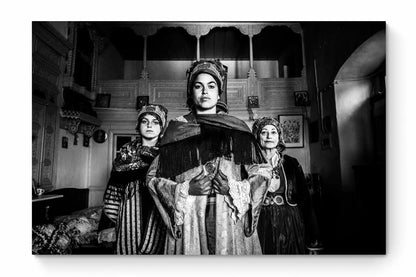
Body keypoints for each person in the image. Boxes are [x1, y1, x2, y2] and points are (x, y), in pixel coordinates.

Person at [146, 59, 272, 255]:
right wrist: (185, 189)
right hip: (190, 220)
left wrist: (233, 187)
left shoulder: (238, 129)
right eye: (198, 86)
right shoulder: (176, 130)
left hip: (230, 219)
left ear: (219, 92)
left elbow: (263, 172)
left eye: (211, 86)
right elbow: (152, 178)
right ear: (191, 92)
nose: (205, 91)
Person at [102, 104, 168, 254]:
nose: (150, 125)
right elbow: (113, 189)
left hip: (159, 213)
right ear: (138, 125)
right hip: (129, 213)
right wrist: (109, 224)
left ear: (162, 127)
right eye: (145, 121)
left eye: (155, 122)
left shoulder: (168, 153)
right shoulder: (125, 153)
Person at [252, 117, 320, 254]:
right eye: (264, 132)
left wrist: (314, 235)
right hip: (260, 223)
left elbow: (305, 200)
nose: (269, 136)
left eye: (273, 132)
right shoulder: (249, 165)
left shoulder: (291, 163)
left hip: (290, 223)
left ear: (279, 137)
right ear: (256, 136)